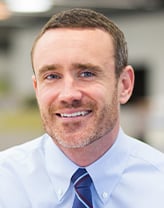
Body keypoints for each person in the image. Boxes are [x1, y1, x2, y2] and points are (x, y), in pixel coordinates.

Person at [0, 8, 164, 208]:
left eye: (87, 73)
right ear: (37, 89)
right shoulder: (5, 181)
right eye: (52, 76)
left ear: (124, 85)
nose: (68, 94)